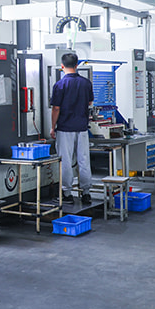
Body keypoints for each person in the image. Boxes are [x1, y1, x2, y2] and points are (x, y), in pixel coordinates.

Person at [49, 52, 94, 204]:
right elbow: (89, 103)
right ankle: (86, 193)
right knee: (84, 159)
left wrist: (52, 127)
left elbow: (56, 108)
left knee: (66, 161)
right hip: (82, 128)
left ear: (62, 66)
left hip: (65, 128)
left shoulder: (60, 85)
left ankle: (67, 193)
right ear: (76, 65)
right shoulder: (86, 83)